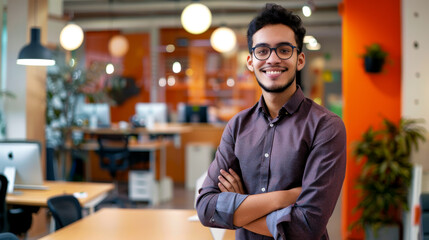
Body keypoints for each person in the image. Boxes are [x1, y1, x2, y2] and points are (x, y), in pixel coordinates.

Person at [196, 3, 346, 240]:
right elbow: (206, 208)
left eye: (284, 50)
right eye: (262, 50)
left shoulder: (326, 127)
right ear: (250, 61)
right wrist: (283, 198)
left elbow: (307, 226)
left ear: (300, 59)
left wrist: (240, 206)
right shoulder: (237, 126)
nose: (273, 59)